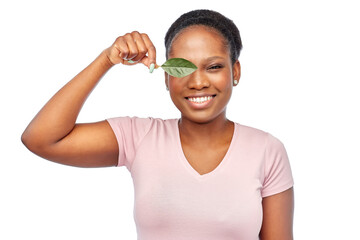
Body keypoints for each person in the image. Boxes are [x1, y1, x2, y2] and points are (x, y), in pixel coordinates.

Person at [21, 9, 294, 240]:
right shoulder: (139, 137)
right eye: (182, 67)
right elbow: (41, 139)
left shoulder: (266, 150)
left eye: (213, 67)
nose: (198, 82)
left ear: (235, 72)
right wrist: (107, 60)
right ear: (166, 78)